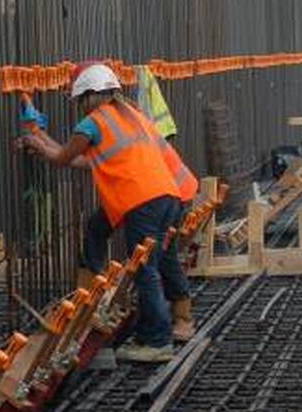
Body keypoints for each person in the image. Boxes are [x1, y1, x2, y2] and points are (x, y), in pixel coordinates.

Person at [18, 62, 196, 362]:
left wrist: (34, 140)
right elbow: (84, 160)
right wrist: (40, 138)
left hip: (141, 202)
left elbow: (63, 157)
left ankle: (157, 341)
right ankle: (95, 289)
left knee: (144, 268)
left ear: (87, 96)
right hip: (166, 196)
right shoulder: (132, 117)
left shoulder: (91, 124)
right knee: (100, 228)